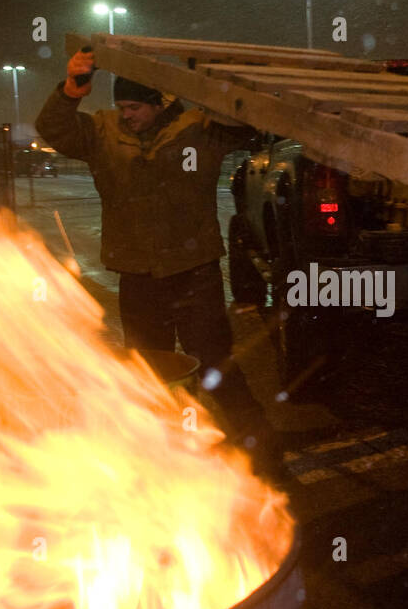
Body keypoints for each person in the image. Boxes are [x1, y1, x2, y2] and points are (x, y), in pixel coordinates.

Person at [35, 48, 282, 478]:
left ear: (160, 103)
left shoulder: (201, 130)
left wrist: (213, 85)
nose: (126, 115)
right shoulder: (101, 133)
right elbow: (53, 127)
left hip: (194, 270)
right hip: (137, 274)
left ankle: (259, 449)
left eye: (134, 107)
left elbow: (245, 124)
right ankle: (163, 457)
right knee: (151, 371)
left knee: (214, 363)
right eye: (121, 107)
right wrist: (72, 88)